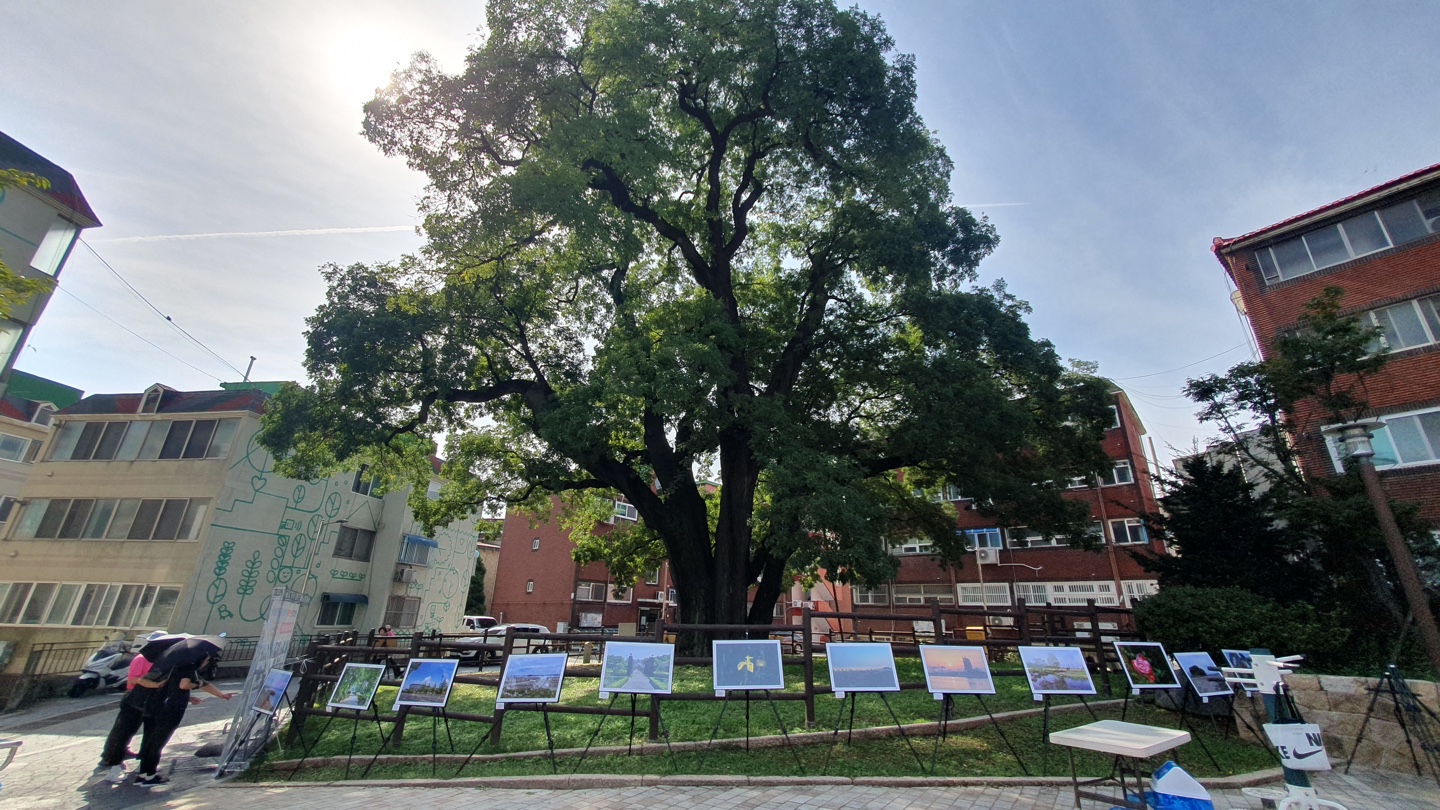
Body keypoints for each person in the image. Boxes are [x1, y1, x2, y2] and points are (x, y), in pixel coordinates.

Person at [129, 645, 232, 789]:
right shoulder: (188, 667)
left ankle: (143, 774)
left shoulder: (169, 665)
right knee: (158, 742)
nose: (206, 663)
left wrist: (219, 695)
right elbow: (184, 685)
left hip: (153, 706)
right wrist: (198, 684)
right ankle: (150, 776)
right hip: (169, 709)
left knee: (148, 740)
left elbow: (172, 686)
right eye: (207, 659)